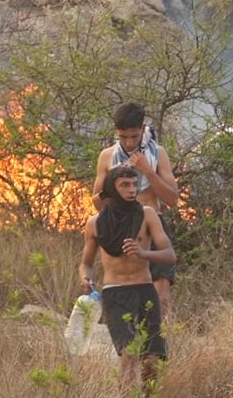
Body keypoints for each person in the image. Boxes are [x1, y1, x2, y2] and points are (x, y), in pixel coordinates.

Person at [80, 166, 177, 393]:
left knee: (151, 359)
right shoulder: (95, 223)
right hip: (115, 293)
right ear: (111, 188)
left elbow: (170, 256)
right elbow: (85, 263)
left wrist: (144, 253)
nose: (131, 189)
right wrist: (85, 279)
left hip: (144, 290)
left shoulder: (147, 214)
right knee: (129, 352)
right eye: (124, 184)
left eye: (134, 184)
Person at [92, 102, 179, 320]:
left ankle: (158, 341)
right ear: (116, 132)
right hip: (120, 224)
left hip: (152, 221)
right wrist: (114, 184)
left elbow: (172, 199)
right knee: (124, 285)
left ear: (142, 129)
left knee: (161, 286)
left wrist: (148, 171)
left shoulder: (158, 154)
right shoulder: (107, 156)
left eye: (134, 136)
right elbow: (96, 202)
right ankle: (129, 343)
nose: (129, 143)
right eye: (123, 137)